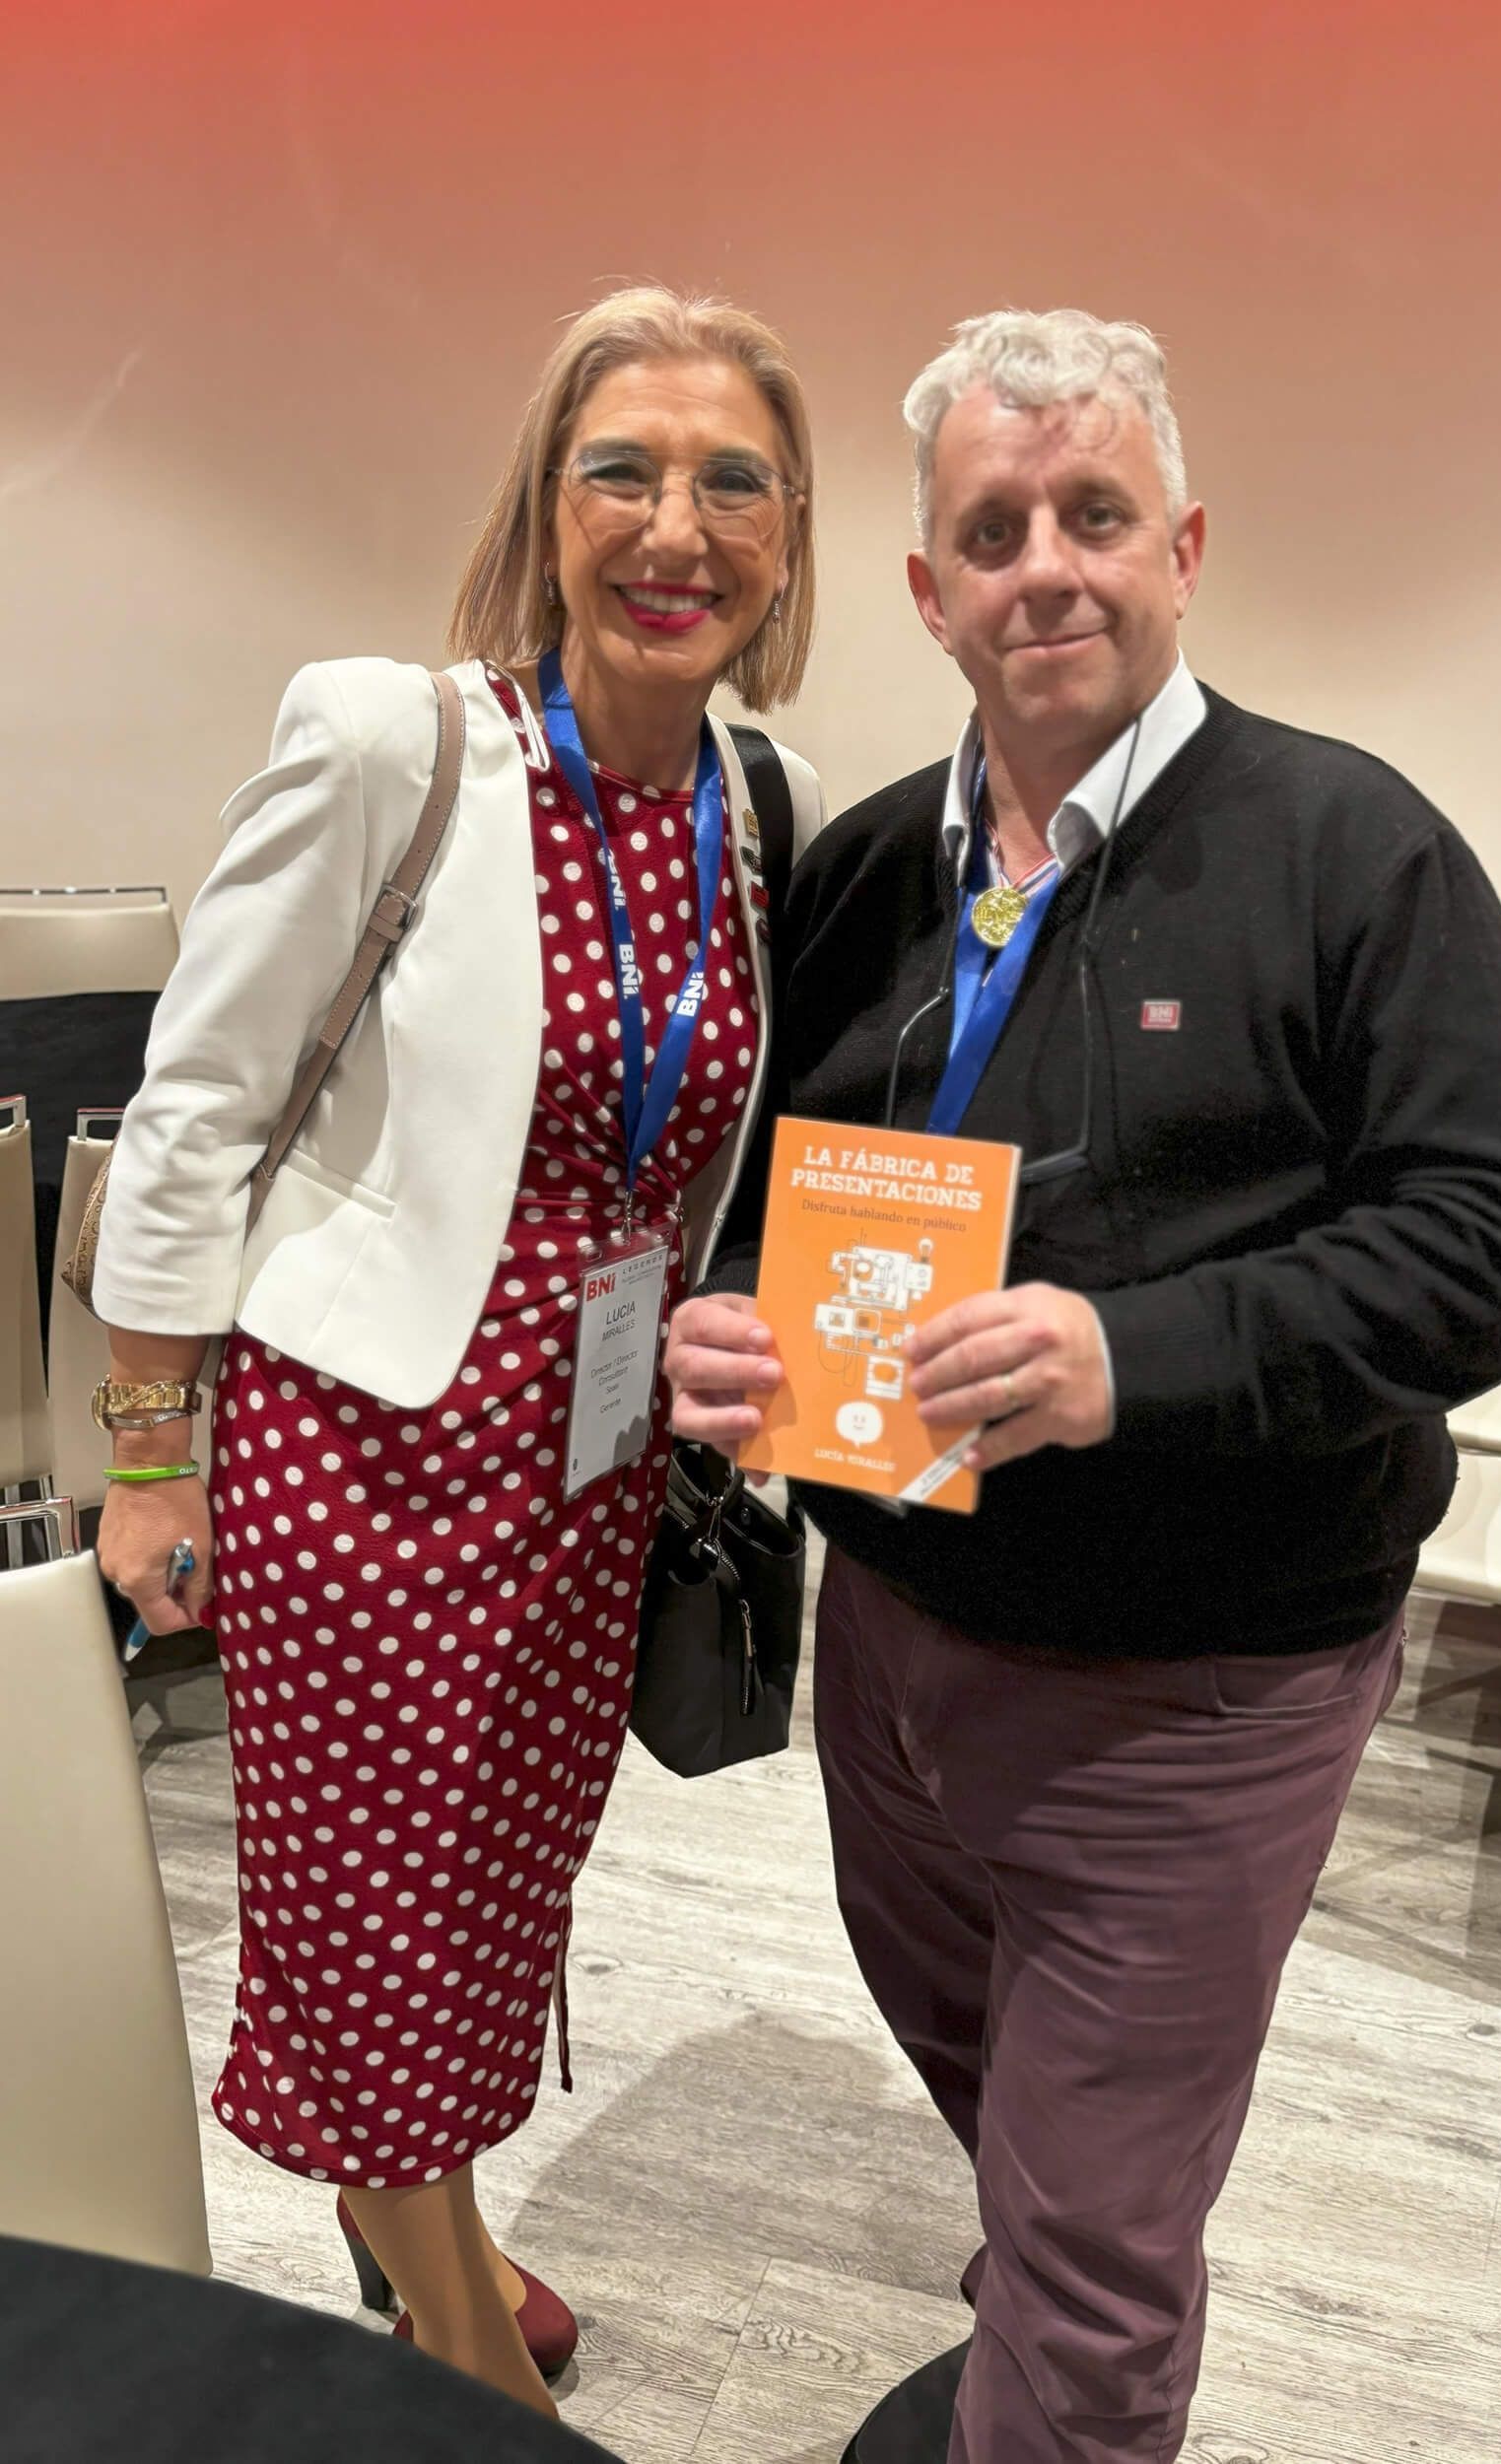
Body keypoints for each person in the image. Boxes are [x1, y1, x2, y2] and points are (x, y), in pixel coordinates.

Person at [665, 308, 1501, 2463]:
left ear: (1181, 547)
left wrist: (1125, 1354)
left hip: (1195, 1689)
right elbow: (768, 1189)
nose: (1045, 569)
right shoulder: (866, 869)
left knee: (1091, 2249)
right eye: (992, 532)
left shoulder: (1349, 847)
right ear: (928, 591)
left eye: (1094, 515)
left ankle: (1060, 2384)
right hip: (893, 1647)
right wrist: (729, 1317)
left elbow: (1492, 1245)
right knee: (1003, 2100)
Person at [92, 286, 824, 2421]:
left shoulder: (762, 805)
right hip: (365, 1459)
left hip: (585, 1473)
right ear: (543, 506)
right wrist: (147, 1453)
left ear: (787, 539)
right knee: (383, 1916)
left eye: (732, 480)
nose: (673, 527)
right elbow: (193, 1110)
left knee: (494, 1895)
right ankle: (462, 2360)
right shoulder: (390, 742)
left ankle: (426, 2216)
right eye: (621, 470)